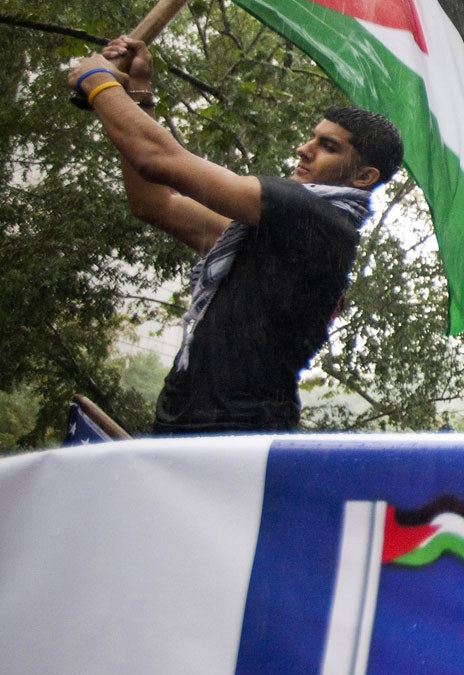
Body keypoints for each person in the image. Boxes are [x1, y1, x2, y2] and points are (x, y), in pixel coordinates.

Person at [66, 36, 401, 434]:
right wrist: (137, 91)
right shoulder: (276, 233)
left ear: (363, 177)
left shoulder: (317, 218)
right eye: (310, 137)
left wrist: (98, 82)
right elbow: (155, 204)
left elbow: (157, 159)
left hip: (235, 434)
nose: (302, 149)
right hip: (185, 422)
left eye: (326, 146)